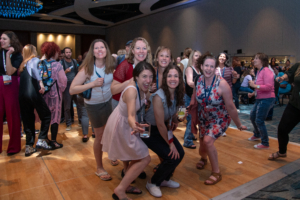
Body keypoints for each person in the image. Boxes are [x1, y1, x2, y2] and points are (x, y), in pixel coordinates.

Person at [189, 52, 247, 185]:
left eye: (211, 66)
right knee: (203, 144)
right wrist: (190, 109)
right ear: (201, 66)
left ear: (215, 68)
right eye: (206, 66)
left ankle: (216, 172)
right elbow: (195, 96)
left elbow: (231, 107)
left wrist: (238, 124)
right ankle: (203, 159)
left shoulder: (222, 84)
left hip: (219, 118)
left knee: (208, 141)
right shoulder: (198, 80)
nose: (208, 69)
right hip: (204, 118)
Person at [102, 61, 154, 200]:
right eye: (144, 76)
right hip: (123, 123)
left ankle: (126, 184)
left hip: (126, 122)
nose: (148, 80)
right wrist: (134, 124)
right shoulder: (131, 90)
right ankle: (120, 190)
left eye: (150, 77)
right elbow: (131, 115)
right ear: (136, 77)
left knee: (130, 155)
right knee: (144, 157)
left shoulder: (143, 88)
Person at [70, 39, 115, 180]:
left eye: (103, 47)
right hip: (93, 105)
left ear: (106, 50)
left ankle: (112, 155)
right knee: (99, 136)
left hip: (108, 102)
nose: (100, 50)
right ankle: (99, 167)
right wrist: (92, 84)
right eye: (97, 48)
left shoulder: (111, 65)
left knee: (111, 132)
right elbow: (72, 89)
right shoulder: (87, 68)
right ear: (93, 51)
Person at [143, 65, 185, 197]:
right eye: (170, 76)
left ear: (179, 79)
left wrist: (179, 118)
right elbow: (160, 124)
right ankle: (153, 182)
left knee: (180, 153)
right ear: (165, 78)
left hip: (162, 129)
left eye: (176, 76)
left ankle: (164, 180)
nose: (173, 79)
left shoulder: (179, 94)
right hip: (148, 130)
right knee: (171, 156)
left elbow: (175, 116)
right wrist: (170, 143)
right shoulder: (158, 96)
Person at [18, 44, 52, 156]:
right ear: (33, 51)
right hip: (32, 92)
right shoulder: (34, 60)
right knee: (46, 115)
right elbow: (34, 69)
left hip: (22, 95)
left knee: (28, 120)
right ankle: (42, 139)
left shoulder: (22, 64)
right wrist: (40, 82)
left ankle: (29, 146)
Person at [268, 63, 300, 160]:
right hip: (295, 104)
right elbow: (289, 74)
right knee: (282, 129)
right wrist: (282, 78)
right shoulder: (298, 66)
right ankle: (282, 152)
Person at [41, 42, 67, 149]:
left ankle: (44, 139)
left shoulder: (41, 64)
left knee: (45, 117)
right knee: (55, 117)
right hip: (55, 94)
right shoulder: (57, 65)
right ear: (55, 52)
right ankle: (54, 141)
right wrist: (61, 89)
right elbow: (63, 80)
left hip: (43, 94)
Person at [0, 31, 23, 156]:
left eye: (4, 38)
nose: (1, 40)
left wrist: (8, 55)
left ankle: (14, 147)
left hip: (11, 84)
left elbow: (9, 72)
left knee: (12, 116)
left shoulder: (17, 55)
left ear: (11, 41)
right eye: (0, 38)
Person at [248, 53, 275, 149]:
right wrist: (253, 92)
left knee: (259, 120)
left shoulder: (267, 71)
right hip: (260, 98)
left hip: (267, 98)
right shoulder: (259, 71)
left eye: (256, 58)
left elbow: (268, 87)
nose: (254, 60)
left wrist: (254, 86)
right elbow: (260, 86)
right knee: (252, 116)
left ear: (262, 61)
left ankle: (265, 143)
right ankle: (257, 134)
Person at [183, 50, 201, 149]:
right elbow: (189, 82)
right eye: (196, 55)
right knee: (191, 119)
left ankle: (191, 135)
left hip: (196, 98)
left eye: (199, 56)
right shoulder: (190, 69)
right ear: (192, 57)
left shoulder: (200, 69)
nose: (198, 57)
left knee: (194, 119)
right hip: (189, 97)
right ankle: (187, 141)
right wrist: (203, 85)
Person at [60, 47, 80, 131]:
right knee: (67, 106)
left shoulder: (74, 61)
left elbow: (77, 71)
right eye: (66, 52)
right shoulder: (61, 62)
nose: (68, 54)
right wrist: (65, 72)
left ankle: (81, 122)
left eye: (69, 52)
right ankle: (68, 124)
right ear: (64, 54)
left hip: (75, 85)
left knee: (79, 104)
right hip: (67, 86)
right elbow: (59, 75)